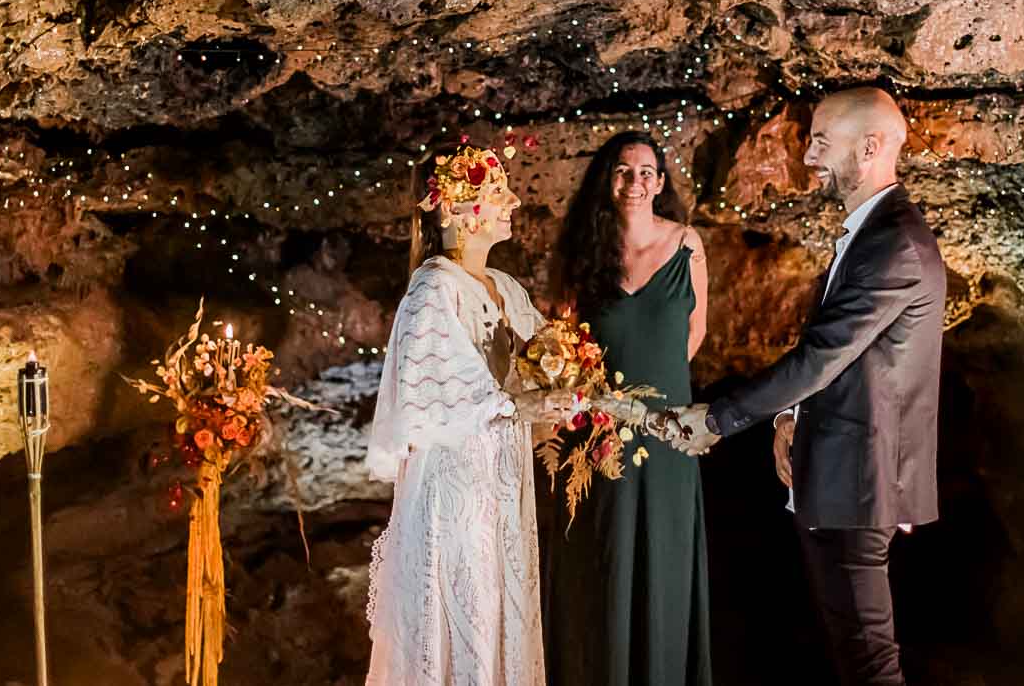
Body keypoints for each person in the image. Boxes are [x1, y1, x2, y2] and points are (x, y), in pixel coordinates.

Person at [672, 87, 945, 686]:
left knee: (871, 663)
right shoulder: (873, 232)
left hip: (860, 478)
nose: (810, 152)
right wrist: (786, 418)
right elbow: (840, 354)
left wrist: (718, 418)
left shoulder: (894, 242)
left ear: (870, 146)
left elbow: (823, 355)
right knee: (855, 657)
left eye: (823, 138)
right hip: (841, 468)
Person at [363, 144, 573, 686]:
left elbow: (541, 363)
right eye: (497, 192)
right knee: (467, 601)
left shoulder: (505, 288)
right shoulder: (433, 286)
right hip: (458, 481)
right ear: (454, 208)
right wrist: (516, 403)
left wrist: (573, 386)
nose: (514, 201)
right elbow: (429, 391)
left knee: (505, 600)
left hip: (504, 479)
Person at [538, 131, 712, 686]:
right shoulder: (582, 253)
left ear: (660, 182)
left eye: (644, 172)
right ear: (606, 180)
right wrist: (609, 404)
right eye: (621, 170)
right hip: (598, 439)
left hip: (666, 439)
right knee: (602, 567)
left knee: (663, 565)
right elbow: (560, 344)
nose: (633, 182)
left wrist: (653, 394)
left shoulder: (688, 246)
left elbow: (695, 331)